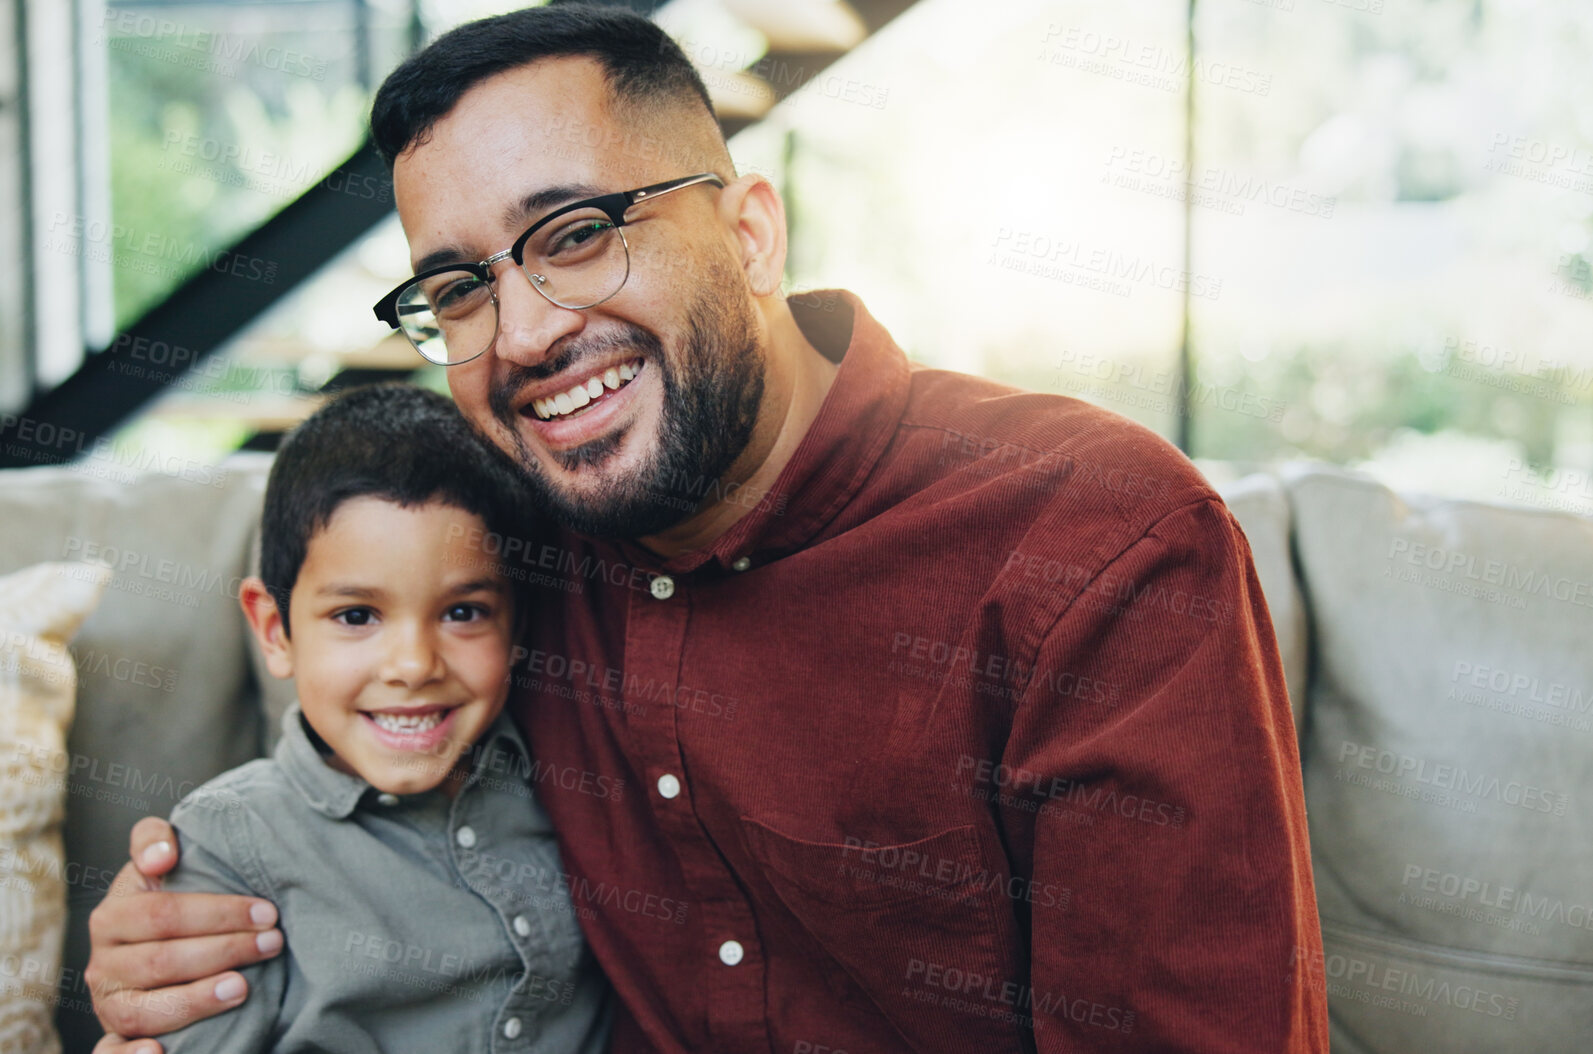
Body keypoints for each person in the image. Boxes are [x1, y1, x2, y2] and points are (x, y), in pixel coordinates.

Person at [87, 7, 1328, 1052]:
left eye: (576, 234)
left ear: (749, 235)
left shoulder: (1097, 542)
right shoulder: (506, 553)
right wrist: (181, 926)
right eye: (460, 286)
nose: (522, 333)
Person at [150, 382, 610, 1053]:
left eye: (462, 612)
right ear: (274, 630)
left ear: (516, 627)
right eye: (356, 616)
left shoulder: (564, 774)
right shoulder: (227, 844)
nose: (413, 664)